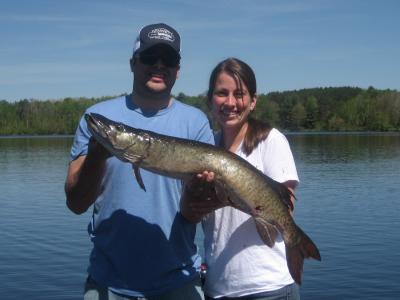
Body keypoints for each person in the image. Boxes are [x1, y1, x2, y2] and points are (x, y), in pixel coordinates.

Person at [65, 23, 214, 300]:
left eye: (168, 59)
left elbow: (194, 213)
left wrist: (200, 193)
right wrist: (97, 157)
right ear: (133, 63)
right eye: (149, 57)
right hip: (108, 282)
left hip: (179, 280)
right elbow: (75, 203)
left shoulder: (196, 122)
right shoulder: (97, 116)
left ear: (177, 70)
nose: (159, 65)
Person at [181, 58, 301, 299]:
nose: (231, 102)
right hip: (218, 288)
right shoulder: (204, 148)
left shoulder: (271, 141)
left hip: (268, 288)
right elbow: (191, 214)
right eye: (222, 93)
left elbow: (286, 211)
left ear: (253, 101)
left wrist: (230, 198)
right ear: (210, 101)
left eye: (240, 94)